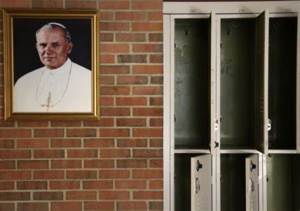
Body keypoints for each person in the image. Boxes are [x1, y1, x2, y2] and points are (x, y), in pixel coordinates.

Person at [13, 22, 92, 112]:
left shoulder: (88, 79)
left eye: (55, 45)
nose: (47, 51)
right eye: (43, 45)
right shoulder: (23, 82)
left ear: (69, 48)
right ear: (36, 47)